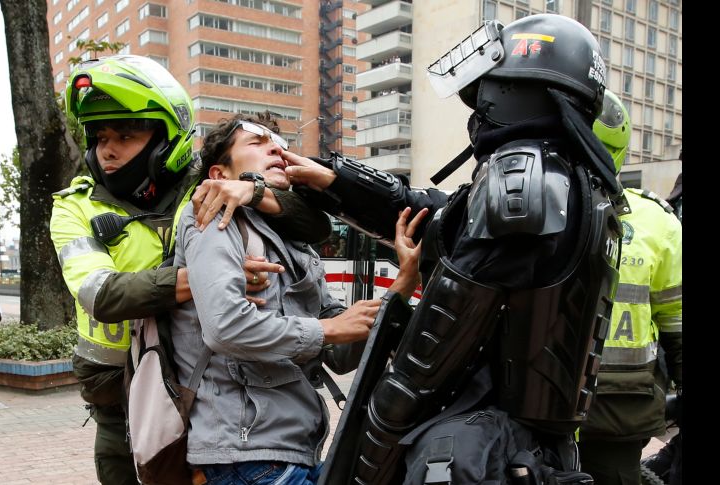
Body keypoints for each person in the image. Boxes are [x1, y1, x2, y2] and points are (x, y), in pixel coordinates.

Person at [265, 14, 621, 484]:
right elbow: (432, 215)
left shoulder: (521, 184)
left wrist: (365, 458)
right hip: (523, 444)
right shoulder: (574, 180)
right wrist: (335, 181)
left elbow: (424, 364)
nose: (476, 115)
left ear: (510, 92)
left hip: (479, 445)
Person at [50, 56, 331, 485]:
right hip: (119, 401)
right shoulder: (74, 205)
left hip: (199, 397)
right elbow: (100, 294)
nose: (107, 149)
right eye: (101, 136)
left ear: (166, 138)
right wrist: (210, 280)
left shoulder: (203, 188)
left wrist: (252, 190)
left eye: (126, 134)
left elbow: (313, 223)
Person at [170, 112, 427, 485]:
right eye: (256, 143)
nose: (275, 147)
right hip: (246, 453)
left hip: (290, 451)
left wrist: (403, 283)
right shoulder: (215, 215)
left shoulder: (293, 240)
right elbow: (225, 328)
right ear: (219, 174)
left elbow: (337, 353)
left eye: (279, 143)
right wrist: (327, 328)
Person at [575, 89, 682, 485]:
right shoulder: (660, 222)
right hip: (599, 414)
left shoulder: (658, 222)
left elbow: (677, 321)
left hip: (613, 421)